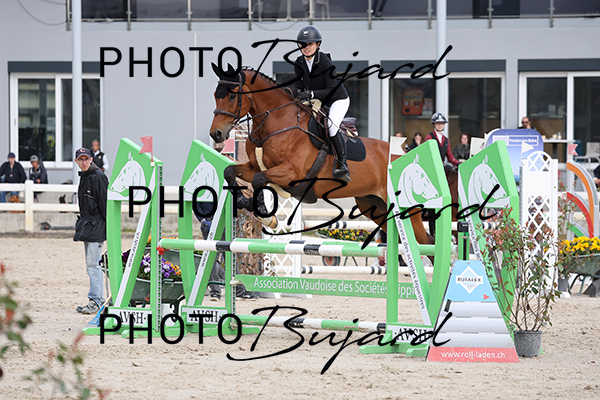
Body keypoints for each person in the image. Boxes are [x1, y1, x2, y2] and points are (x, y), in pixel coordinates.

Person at [293, 25, 351, 182]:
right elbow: (298, 86)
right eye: (303, 44)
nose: (306, 47)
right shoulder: (299, 62)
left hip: (337, 99)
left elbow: (331, 89)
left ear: (318, 44)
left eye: (310, 44)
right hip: (319, 101)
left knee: (331, 127)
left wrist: (311, 94)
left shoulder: (326, 63)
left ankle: (343, 165)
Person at [73, 148, 108, 315]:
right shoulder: (85, 176)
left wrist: (108, 228)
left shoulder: (98, 176)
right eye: (81, 159)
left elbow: (105, 204)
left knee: (93, 265)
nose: (84, 162)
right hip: (88, 226)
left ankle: (95, 300)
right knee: (92, 265)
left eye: (86, 159)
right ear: (76, 161)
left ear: (91, 159)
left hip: (97, 226)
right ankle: (99, 298)